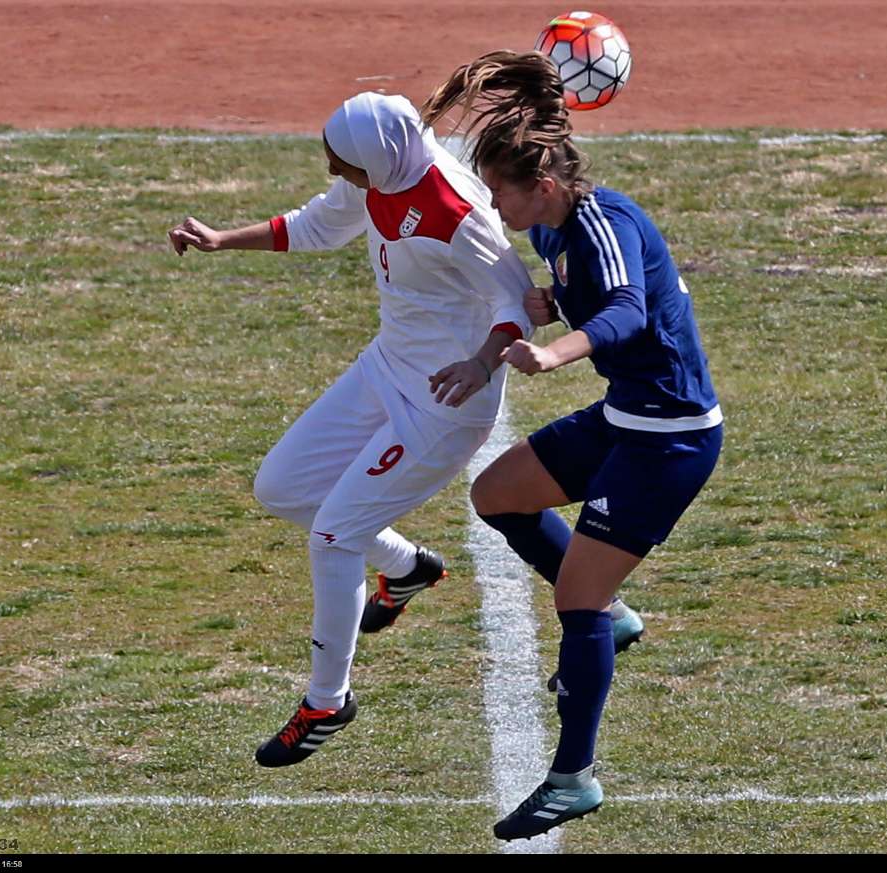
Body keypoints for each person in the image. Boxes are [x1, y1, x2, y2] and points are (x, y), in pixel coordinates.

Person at [169, 92, 533, 768]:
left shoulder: (457, 213)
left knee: (334, 534)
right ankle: (407, 566)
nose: (337, 173)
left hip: (444, 403)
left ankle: (325, 702)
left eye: (344, 164)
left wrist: (481, 364)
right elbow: (316, 225)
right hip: (386, 367)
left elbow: (518, 300)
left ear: (379, 157)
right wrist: (221, 239)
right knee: (281, 486)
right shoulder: (378, 175)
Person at [421, 51, 724, 840]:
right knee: (497, 494)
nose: (494, 206)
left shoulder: (601, 225)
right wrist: (531, 317)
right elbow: (590, 293)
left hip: (669, 441)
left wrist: (555, 351)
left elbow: (627, 309)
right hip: (628, 417)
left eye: (500, 192)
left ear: (544, 185)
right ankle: (610, 621)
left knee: (576, 600)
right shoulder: (559, 230)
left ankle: (572, 778)